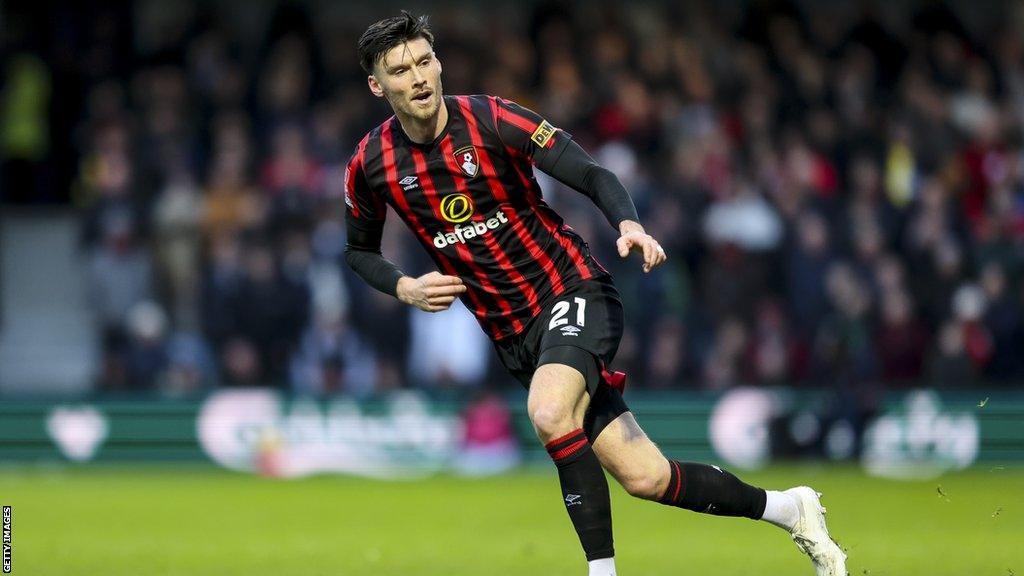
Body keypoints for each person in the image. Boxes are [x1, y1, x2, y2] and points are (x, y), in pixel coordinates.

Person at [344, 12, 846, 576]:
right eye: (400, 69)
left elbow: (589, 171)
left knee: (548, 410)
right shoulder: (371, 164)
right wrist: (405, 286)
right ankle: (790, 509)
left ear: (438, 62)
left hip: (573, 288)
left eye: (425, 60)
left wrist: (627, 223)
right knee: (647, 478)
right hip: (515, 336)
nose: (418, 77)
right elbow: (358, 251)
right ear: (377, 85)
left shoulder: (489, 118)